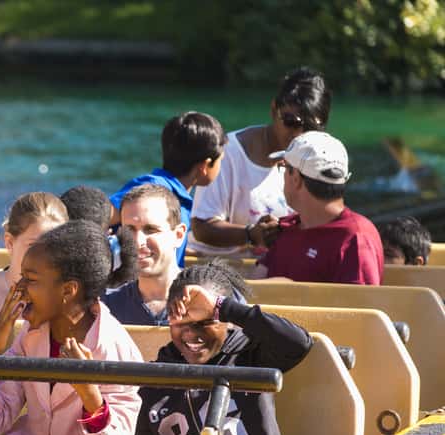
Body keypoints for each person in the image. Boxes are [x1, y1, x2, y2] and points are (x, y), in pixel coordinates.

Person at [0, 222, 143, 435]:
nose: (18, 288)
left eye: (30, 279)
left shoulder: (115, 348)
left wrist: (90, 395)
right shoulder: (31, 335)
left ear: (68, 290)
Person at [135, 261, 310, 435]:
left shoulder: (248, 353)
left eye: (205, 321)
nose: (190, 333)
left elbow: (298, 343)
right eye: (180, 321)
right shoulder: (156, 377)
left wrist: (222, 306)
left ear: (226, 320)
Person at [191, 67, 332, 256]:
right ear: (274, 110)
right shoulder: (228, 153)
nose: (299, 134)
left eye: (310, 127)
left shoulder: (317, 160)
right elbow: (202, 226)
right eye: (291, 122)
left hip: (274, 272)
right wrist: (250, 234)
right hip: (220, 268)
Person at [256, 131, 384, 285]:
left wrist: (293, 292)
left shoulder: (357, 239)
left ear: (295, 177)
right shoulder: (285, 228)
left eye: (284, 167)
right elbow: (251, 289)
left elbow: (360, 307)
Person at [109, 111, 228, 265]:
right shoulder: (152, 190)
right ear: (205, 166)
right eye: (220, 160)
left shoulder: (177, 195)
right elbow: (99, 218)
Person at [101, 184, 186, 325]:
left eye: (151, 230)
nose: (138, 241)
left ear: (178, 235)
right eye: (129, 230)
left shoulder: (209, 302)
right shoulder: (106, 310)